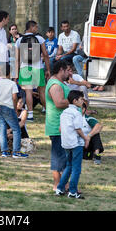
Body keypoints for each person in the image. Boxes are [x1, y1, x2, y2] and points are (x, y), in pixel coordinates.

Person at [55, 90, 89, 199]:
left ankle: (60, 188)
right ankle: (73, 191)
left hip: (66, 143)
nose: (82, 101)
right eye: (81, 99)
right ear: (75, 101)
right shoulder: (77, 113)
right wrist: (85, 138)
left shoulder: (64, 113)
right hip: (76, 143)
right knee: (76, 168)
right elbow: (78, 128)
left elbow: (61, 128)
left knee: (69, 166)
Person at [15, 20, 51, 122]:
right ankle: (48, 111)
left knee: (28, 92)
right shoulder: (39, 38)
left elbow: (17, 59)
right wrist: (48, 69)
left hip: (24, 68)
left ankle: (30, 114)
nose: (37, 29)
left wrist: (16, 74)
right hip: (37, 68)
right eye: (36, 27)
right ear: (31, 27)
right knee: (42, 91)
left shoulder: (19, 40)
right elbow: (45, 55)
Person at [0, 63, 28, 158]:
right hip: (9, 107)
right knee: (16, 129)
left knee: (3, 129)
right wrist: (14, 107)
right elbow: (14, 97)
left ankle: (4, 151)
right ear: (10, 73)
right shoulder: (12, 84)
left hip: (0, 107)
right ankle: (16, 151)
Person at [45, 60, 70, 192]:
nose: (69, 73)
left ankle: (65, 184)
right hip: (57, 126)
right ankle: (57, 185)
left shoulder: (59, 83)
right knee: (58, 157)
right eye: (67, 70)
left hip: (63, 126)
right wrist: (74, 101)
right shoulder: (55, 85)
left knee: (64, 157)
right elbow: (59, 103)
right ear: (61, 70)